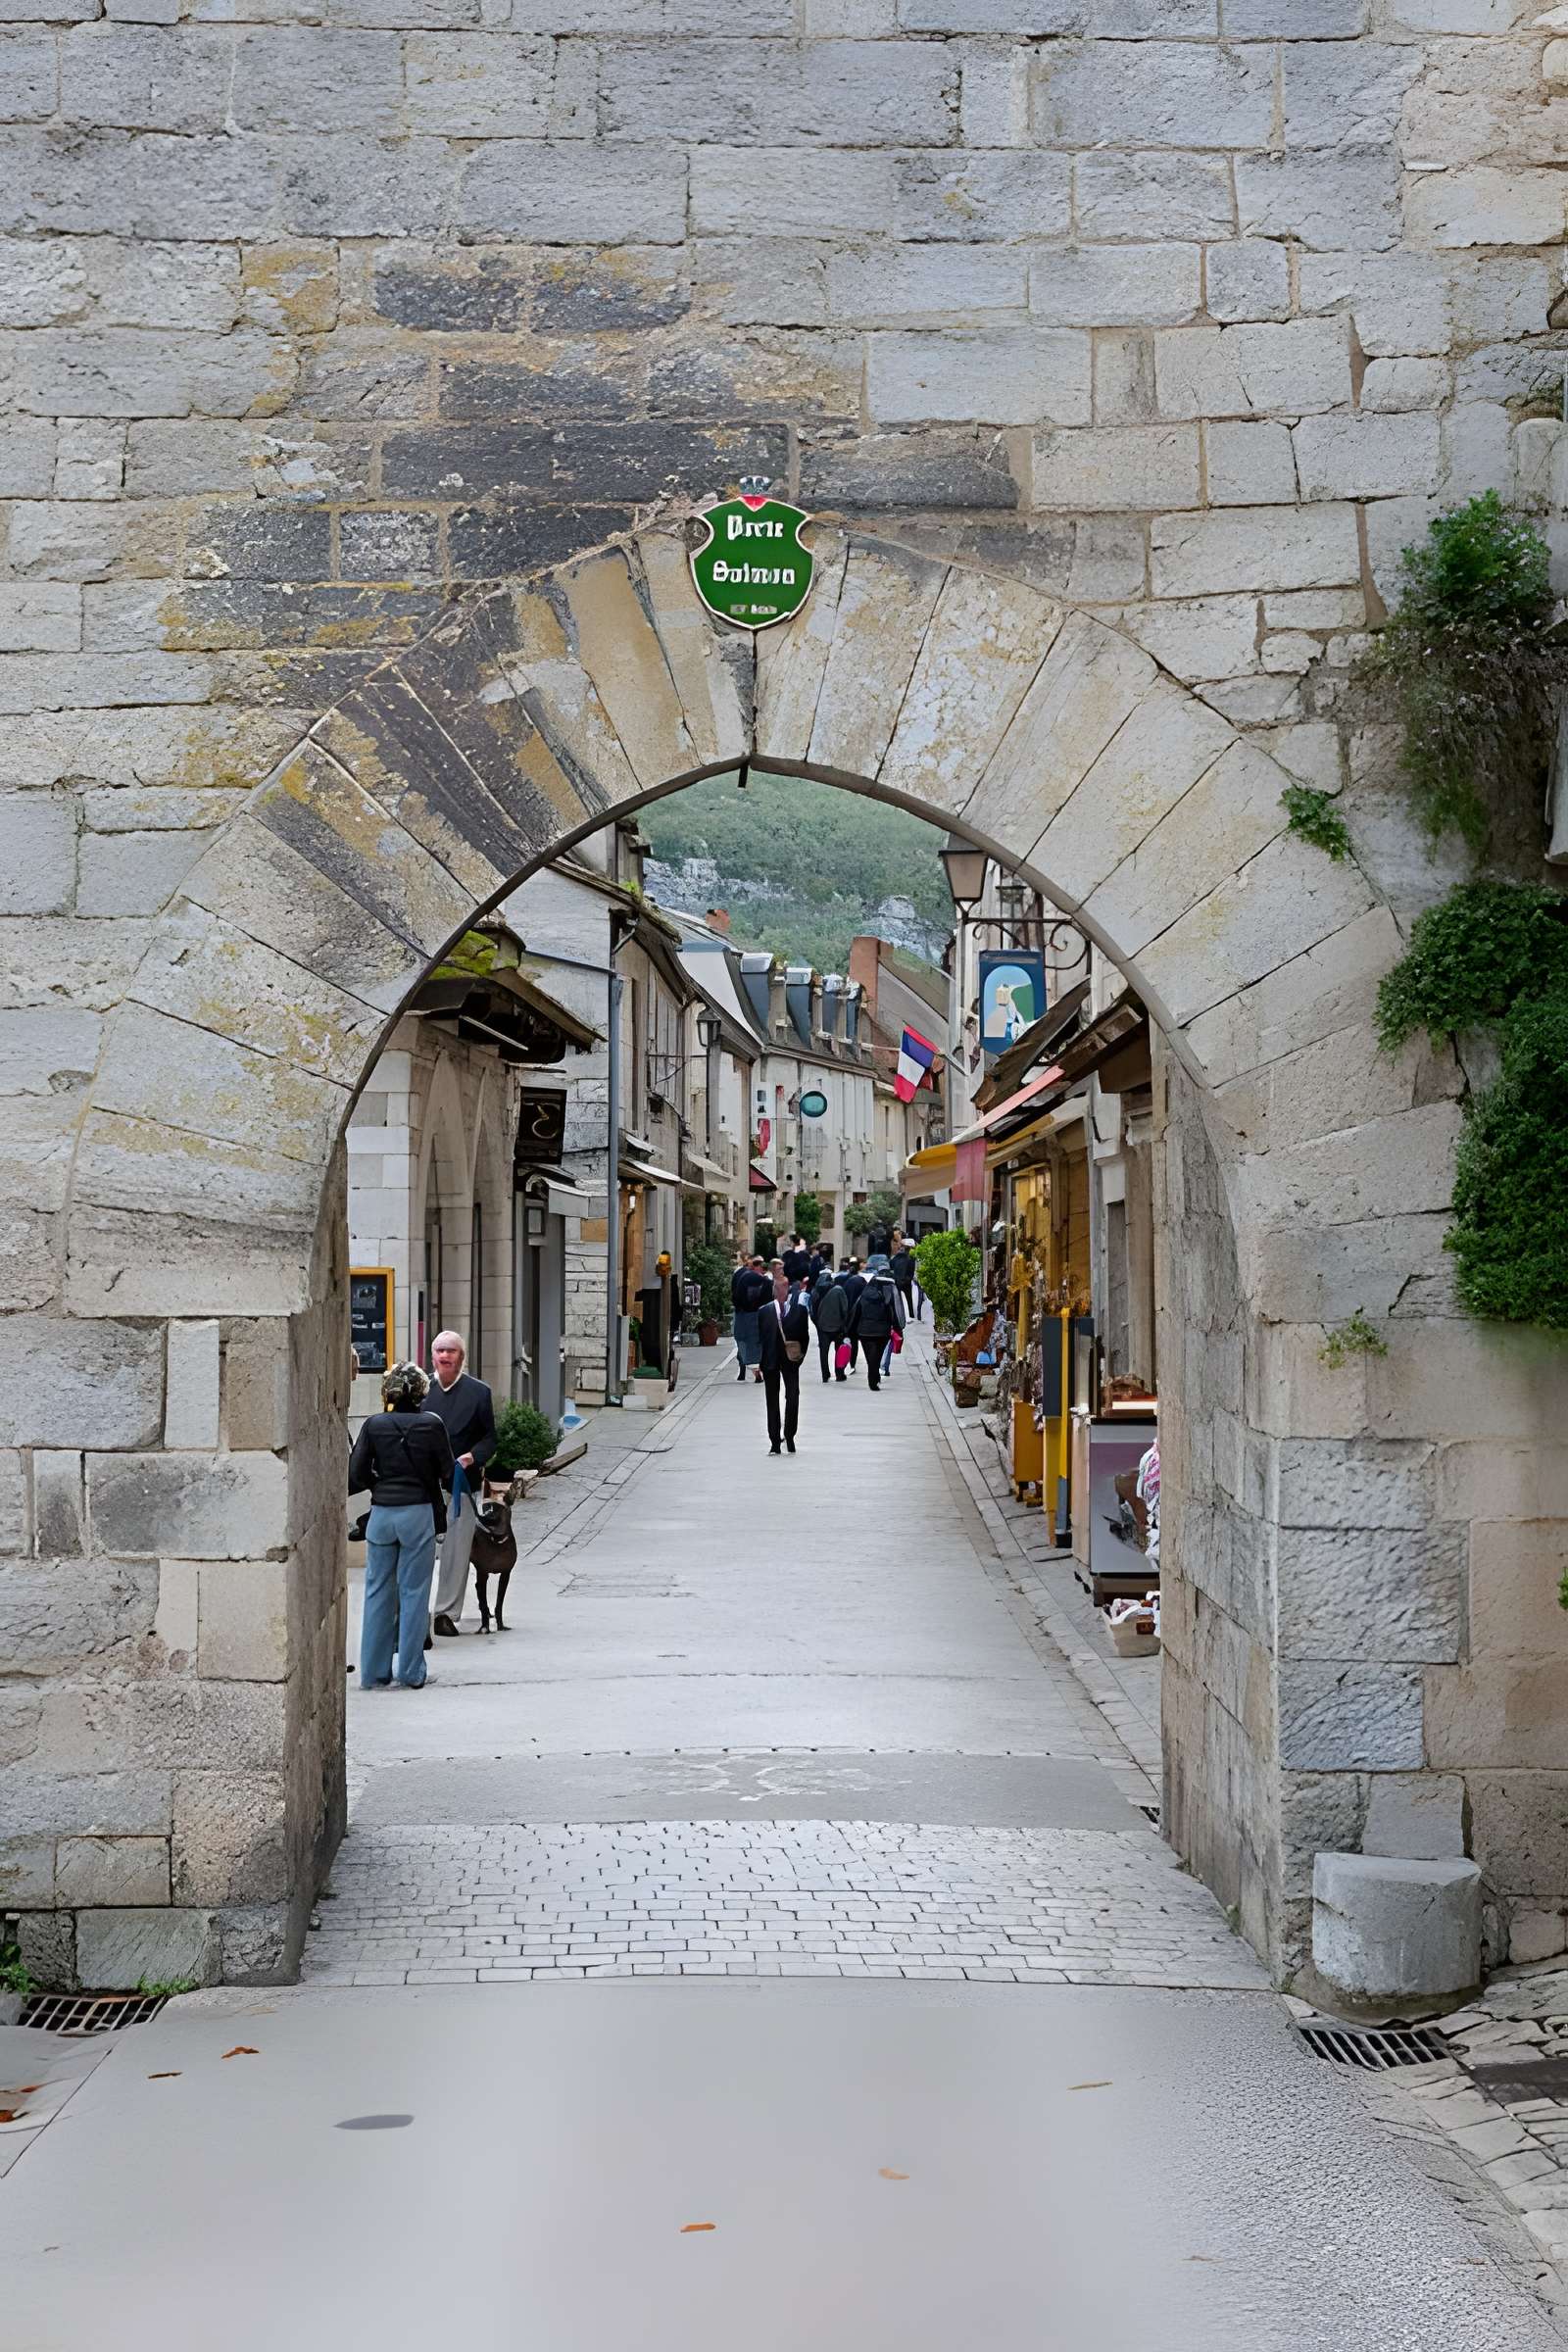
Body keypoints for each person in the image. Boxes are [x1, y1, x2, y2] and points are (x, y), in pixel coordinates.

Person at [348, 1361, 454, 1690]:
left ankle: (374, 1673)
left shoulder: (375, 1424)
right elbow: (447, 1473)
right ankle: (410, 1671)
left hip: (382, 1514)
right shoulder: (432, 1424)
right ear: (423, 1391)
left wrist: (379, 1485)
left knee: (377, 1590)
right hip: (418, 1512)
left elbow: (356, 1474)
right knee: (414, 1592)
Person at [425, 1329, 497, 1637]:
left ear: (462, 1357)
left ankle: (445, 1613)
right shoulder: (421, 1391)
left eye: (451, 1351)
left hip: (461, 1485)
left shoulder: (479, 1392)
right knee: (421, 1549)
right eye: (440, 1351)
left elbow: (490, 1437)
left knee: (456, 1552)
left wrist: (473, 1457)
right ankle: (415, 1612)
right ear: (432, 1357)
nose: (445, 1356)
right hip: (424, 1486)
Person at [757, 1267, 809, 1454]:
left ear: (788, 1290)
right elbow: (760, 1338)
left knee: (793, 1397)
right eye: (778, 1288)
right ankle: (774, 1441)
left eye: (784, 1288)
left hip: (790, 1361)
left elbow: (805, 1337)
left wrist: (799, 1357)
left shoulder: (800, 1311)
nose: (781, 1291)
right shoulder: (764, 1311)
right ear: (774, 1289)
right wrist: (757, 1363)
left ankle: (790, 1435)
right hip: (770, 1360)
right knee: (772, 1400)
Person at [849, 1254, 906, 1392]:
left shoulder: (865, 1294)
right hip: (882, 1331)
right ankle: (873, 1379)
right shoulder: (888, 1295)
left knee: (870, 1355)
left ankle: (873, 1376)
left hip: (864, 1330)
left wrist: (849, 1331)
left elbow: (856, 1312)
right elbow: (895, 1312)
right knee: (877, 1354)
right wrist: (898, 1328)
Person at [731, 1251, 767, 1384]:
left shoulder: (739, 1274)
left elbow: (734, 1294)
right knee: (753, 1343)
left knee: (742, 1341)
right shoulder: (758, 1279)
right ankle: (754, 1370)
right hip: (753, 1314)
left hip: (742, 1313)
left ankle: (744, 1370)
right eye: (758, 1264)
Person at [810, 1258, 849, 1383]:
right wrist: (844, 1324)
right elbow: (845, 1309)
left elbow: (812, 1311)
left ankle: (825, 1375)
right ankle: (839, 1374)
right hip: (838, 1326)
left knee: (824, 1352)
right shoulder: (838, 1289)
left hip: (822, 1326)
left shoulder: (815, 1291)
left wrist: (818, 1323)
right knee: (839, 1350)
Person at [836, 1255, 866, 1375]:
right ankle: (853, 1364)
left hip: (847, 1315)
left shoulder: (843, 1280)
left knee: (847, 1340)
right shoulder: (861, 1281)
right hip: (858, 1316)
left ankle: (845, 1365)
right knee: (856, 1341)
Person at [891, 1238, 918, 1325]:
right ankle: (911, 1315)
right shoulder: (911, 1258)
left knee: (898, 1299)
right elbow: (912, 1271)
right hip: (906, 1282)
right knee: (909, 1299)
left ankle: (898, 1315)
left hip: (897, 1281)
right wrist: (908, 1279)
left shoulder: (896, 1257)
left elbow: (891, 1265)